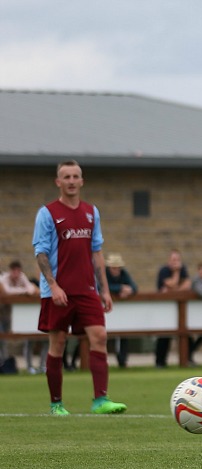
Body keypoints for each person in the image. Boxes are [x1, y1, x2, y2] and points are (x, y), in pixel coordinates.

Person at [32, 159, 127, 415]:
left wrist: (104, 289)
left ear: (82, 181)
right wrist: (53, 286)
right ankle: (56, 404)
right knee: (59, 344)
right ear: (58, 182)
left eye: (76, 176)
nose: (72, 181)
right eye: (67, 177)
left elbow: (97, 252)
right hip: (59, 291)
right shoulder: (47, 213)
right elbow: (40, 253)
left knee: (100, 337)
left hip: (87, 290)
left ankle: (100, 400)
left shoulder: (91, 212)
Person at [0, 260, 41, 373]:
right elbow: (7, 291)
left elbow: (32, 289)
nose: (16, 274)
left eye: (18, 271)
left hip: (13, 316)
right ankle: (2, 363)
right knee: (1, 341)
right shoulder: (4, 279)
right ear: (10, 271)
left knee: (7, 340)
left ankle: (4, 364)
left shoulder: (22, 277)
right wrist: (23, 291)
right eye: (14, 271)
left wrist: (24, 291)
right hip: (2, 313)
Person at [155, 249, 191, 368]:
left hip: (180, 309)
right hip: (164, 309)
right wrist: (176, 273)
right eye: (173, 260)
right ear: (169, 260)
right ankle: (160, 362)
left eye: (177, 260)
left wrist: (174, 290)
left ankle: (188, 359)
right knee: (164, 335)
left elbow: (187, 285)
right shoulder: (164, 271)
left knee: (186, 336)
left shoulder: (184, 270)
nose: (176, 263)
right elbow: (171, 283)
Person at [105, 253, 138, 368]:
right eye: (114, 268)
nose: (116, 270)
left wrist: (129, 290)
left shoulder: (124, 274)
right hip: (106, 311)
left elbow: (134, 286)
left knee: (124, 335)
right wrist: (120, 288)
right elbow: (101, 287)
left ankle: (122, 361)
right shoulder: (103, 274)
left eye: (118, 268)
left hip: (121, 313)